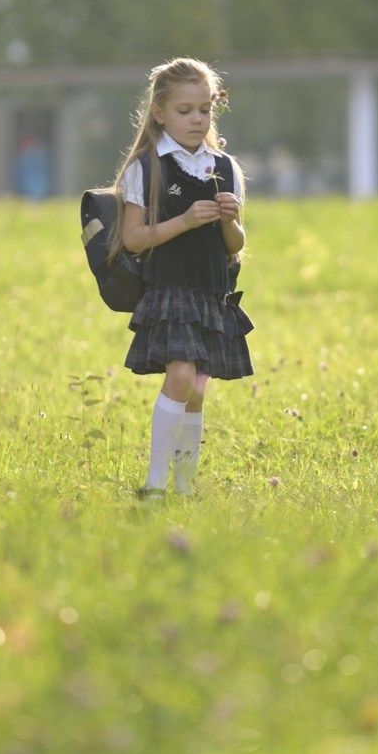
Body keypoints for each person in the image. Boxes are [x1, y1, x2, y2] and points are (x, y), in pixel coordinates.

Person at [111, 57, 253, 498]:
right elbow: (134, 239)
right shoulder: (147, 167)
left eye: (205, 110)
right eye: (184, 111)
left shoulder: (224, 166)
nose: (197, 120)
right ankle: (154, 486)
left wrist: (229, 220)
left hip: (212, 292)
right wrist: (187, 221)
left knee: (197, 391)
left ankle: (186, 488)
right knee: (180, 379)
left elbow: (234, 245)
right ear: (159, 112)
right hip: (171, 290)